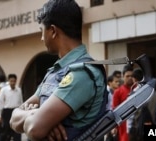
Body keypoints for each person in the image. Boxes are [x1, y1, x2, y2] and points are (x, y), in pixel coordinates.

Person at [9, 0, 107, 140]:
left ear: (53, 31)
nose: (42, 38)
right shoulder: (55, 72)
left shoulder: (82, 73)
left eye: (42, 32)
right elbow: (13, 119)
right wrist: (35, 114)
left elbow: (34, 128)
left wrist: (37, 118)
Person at [127, 68, 156, 141]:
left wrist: (129, 128)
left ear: (135, 79)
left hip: (137, 129)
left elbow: (130, 114)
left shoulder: (133, 94)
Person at [0, 74, 23, 141]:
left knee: (17, 131)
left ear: (16, 81)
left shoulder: (19, 90)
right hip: (7, 112)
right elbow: (0, 103)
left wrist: (22, 112)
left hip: (16, 111)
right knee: (5, 132)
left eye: (14, 81)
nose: (13, 83)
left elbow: (21, 102)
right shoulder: (4, 90)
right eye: (11, 81)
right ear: (8, 81)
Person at [112, 64, 134, 141]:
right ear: (123, 76)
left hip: (137, 125)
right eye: (127, 76)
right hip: (123, 126)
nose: (130, 78)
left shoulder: (137, 90)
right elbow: (114, 111)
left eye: (132, 76)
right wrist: (114, 127)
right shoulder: (118, 92)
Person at [105, 75, 120, 141]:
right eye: (116, 81)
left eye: (118, 81)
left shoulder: (115, 92)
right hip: (107, 117)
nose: (118, 83)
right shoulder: (107, 92)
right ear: (110, 82)